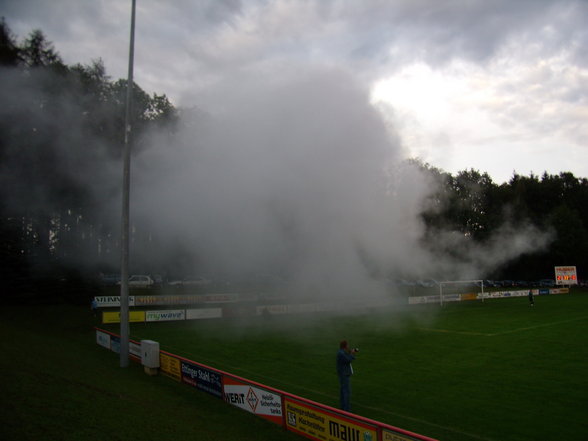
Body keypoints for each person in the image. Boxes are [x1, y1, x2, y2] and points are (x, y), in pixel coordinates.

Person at [336, 340, 358, 412]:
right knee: (346, 392)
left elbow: (347, 357)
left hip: (342, 374)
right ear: (345, 346)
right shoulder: (341, 354)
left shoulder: (341, 352)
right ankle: (346, 410)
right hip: (344, 375)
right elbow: (348, 359)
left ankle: (342, 407)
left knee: (343, 391)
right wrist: (352, 354)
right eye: (347, 345)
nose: (348, 346)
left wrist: (350, 353)